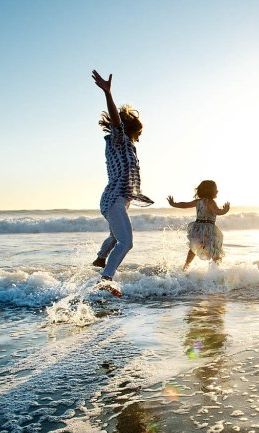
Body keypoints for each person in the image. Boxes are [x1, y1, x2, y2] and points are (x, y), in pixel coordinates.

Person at [91, 70, 153, 295]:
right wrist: (108, 93)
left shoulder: (128, 147)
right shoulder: (119, 140)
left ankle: (100, 259)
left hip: (116, 199)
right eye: (139, 131)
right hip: (114, 199)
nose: (140, 135)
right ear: (131, 130)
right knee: (126, 242)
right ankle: (105, 279)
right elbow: (117, 123)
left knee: (115, 236)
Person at [167, 180, 230, 270]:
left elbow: (184, 205)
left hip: (198, 229)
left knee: (193, 248)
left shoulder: (198, 201)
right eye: (215, 189)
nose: (217, 191)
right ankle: (217, 270)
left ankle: (186, 266)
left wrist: (174, 204)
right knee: (214, 249)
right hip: (208, 230)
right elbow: (216, 211)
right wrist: (224, 211)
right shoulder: (211, 202)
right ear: (210, 191)